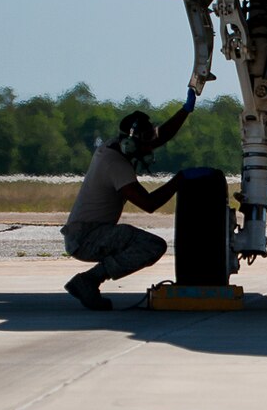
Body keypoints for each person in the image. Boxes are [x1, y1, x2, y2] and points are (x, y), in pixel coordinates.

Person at [61, 90, 195, 310]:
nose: (151, 148)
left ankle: (89, 281)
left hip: (88, 232)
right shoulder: (115, 165)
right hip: (85, 237)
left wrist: (185, 110)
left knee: (139, 240)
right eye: (146, 144)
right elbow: (149, 204)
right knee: (152, 246)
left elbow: (160, 135)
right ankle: (90, 280)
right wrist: (178, 181)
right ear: (131, 145)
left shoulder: (116, 146)